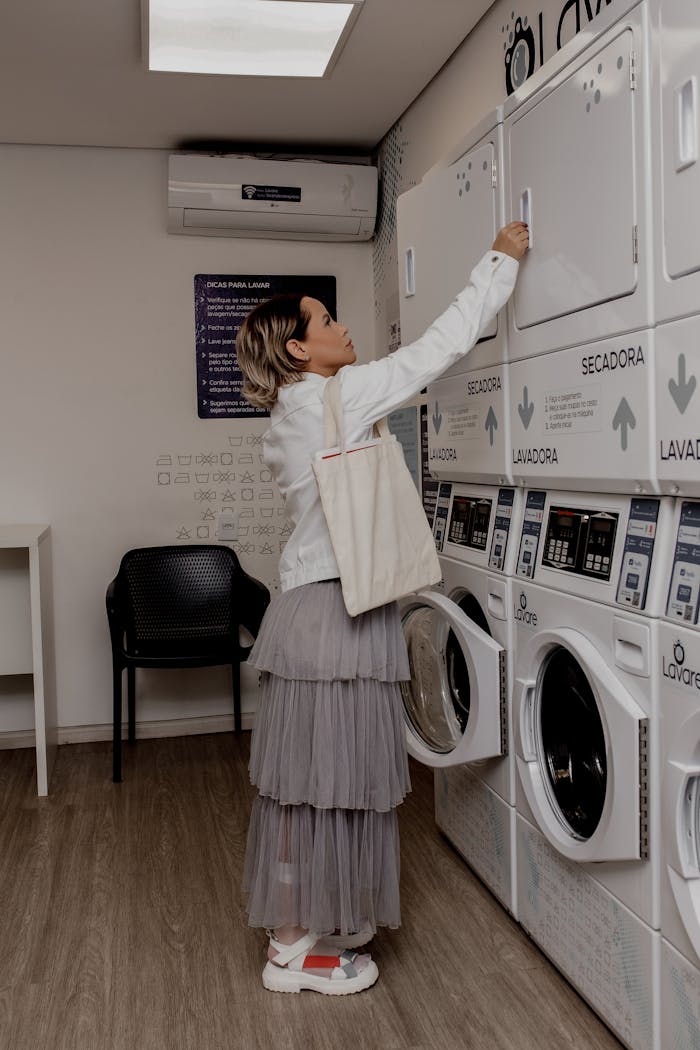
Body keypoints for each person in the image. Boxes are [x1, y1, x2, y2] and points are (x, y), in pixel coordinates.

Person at [235, 221, 529, 995]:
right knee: (329, 780)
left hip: (308, 614)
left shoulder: (288, 418)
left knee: (306, 781)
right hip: (340, 616)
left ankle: (299, 927)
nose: (342, 328)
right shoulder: (339, 394)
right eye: (326, 323)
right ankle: (297, 948)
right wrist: (498, 261)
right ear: (300, 350)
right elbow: (436, 350)